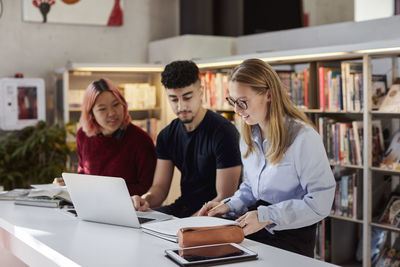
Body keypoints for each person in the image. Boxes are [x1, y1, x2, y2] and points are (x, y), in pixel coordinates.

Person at [199, 59, 336, 257]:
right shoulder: (247, 134)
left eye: (242, 102)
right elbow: (252, 186)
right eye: (232, 101)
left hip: (291, 236)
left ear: (269, 95)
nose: (236, 110)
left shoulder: (303, 138)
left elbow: (321, 203)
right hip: (257, 226)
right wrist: (228, 205)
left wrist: (266, 216)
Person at [132, 60, 242, 218]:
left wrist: (187, 224)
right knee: (135, 220)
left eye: (187, 97)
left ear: (201, 92)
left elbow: (223, 199)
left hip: (217, 216)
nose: (181, 106)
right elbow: (160, 189)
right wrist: (144, 200)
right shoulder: (166, 135)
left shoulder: (224, 132)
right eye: (174, 100)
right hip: (183, 209)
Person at [54, 78, 156, 196]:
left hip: (129, 209)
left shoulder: (141, 140)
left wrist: (104, 191)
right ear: (91, 113)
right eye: (102, 109)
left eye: (116, 105)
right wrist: (70, 183)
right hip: (93, 205)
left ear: (124, 105)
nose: (112, 113)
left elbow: (148, 189)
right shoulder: (83, 135)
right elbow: (84, 174)